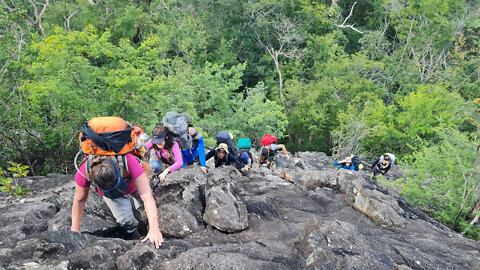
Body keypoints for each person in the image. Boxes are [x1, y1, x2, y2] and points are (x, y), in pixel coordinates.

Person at [72, 118, 163, 248]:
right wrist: (74, 230)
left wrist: (154, 229)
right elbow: (79, 200)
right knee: (126, 221)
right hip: (111, 194)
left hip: (133, 184)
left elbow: (147, 196)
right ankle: (133, 235)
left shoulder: (129, 161)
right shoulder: (85, 169)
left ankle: (145, 224)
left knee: (143, 210)